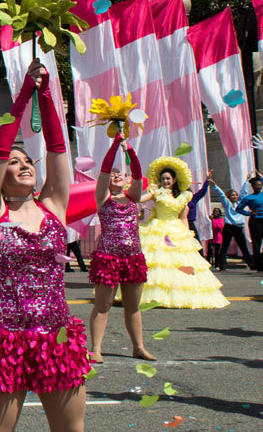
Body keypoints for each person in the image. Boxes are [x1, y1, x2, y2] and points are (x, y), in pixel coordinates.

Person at [0, 58, 90, 432]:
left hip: (57, 335)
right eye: (14, 162)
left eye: (28, 160)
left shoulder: (54, 204)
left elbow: (57, 149)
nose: (24, 165)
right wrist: (22, 96)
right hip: (6, 337)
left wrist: (47, 93)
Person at [87, 134, 154, 363]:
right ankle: (95, 349)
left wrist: (130, 151)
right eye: (113, 175)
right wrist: (114, 146)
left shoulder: (133, 197)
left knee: (133, 306)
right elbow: (105, 171)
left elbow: (137, 173)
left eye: (121, 174)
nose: (116, 176)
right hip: (108, 258)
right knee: (103, 305)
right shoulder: (103, 197)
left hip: (133, 258)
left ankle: (139, 347)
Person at [137, 155, 229, 309]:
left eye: (168, 179)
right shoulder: (156, 192)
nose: (165, 181)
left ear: (174, 180)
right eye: (163, 179)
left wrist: (187, 236)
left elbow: (183, 218)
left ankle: (176, 295)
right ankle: (153, 295)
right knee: (158, 263)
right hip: (157, 229)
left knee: (178, 263)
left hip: (176, 229)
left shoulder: (183, 197)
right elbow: (139, 198)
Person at [213, 185, 255, 271]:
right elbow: (221, 195)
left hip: (238, 227)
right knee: (225, 246)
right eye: (232, 195)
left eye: (235, 195)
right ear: (229, 197)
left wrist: (246, 181)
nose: (235, 196)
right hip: (229, 227)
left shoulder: (240, 203)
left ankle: (251, 264)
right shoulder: (227, 203)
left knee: (243, 246)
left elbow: (243, 192)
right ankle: (222, 264)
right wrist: (215, 185)